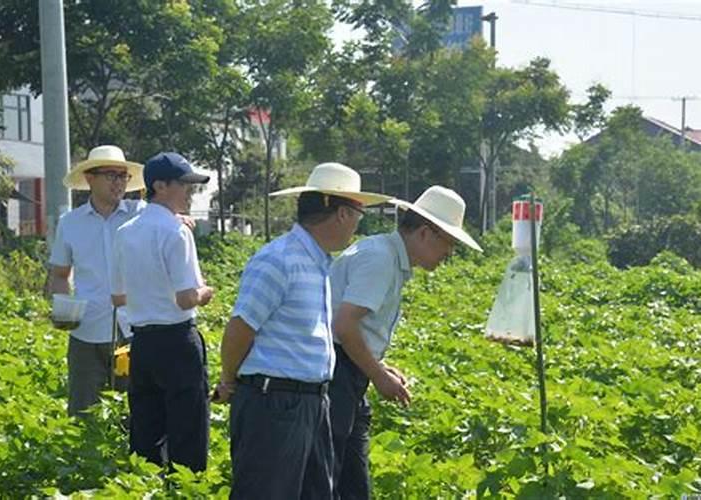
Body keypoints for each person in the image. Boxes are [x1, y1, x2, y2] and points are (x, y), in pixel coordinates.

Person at [213, 163, 389, 499]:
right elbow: (240, 328)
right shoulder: (279, 259)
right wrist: (228, 379)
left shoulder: (318, 262)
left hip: (312, 401)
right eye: (357, 215)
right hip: (273, 403)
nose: (356, 225)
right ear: (341, 214)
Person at [328, 186, 482, 499]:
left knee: (351, 485)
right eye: (449, 243)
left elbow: (350, 327)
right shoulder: (380, 260)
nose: (449, 254)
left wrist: (377, 366)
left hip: (347, 370)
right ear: (426, 233)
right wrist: (378, 375)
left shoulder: (385, 255)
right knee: (331, 480)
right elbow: (343, 326)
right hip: (334, 373)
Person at [110, 152, 214, 472]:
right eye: (183, 185)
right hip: (178, 341)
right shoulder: (175, 232)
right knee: (188, 430)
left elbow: (118, 297)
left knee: (145, 428)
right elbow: (185, 299)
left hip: (142, 344)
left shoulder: (124, 232)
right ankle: (184, 490)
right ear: (159, 186)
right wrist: (205, 293)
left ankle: (142, 488)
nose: (189, 192)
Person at [48, 145, 145, 416]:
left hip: (133, 329)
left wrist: (179, 219)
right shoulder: (70, 223)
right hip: (86, 330)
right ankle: (82, 459)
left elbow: (168, 222)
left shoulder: (142, 214)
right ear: (90, 178)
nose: (119, 183)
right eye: (111, 175)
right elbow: (59, 274)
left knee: (135, 409)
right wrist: (63, 309)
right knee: (82, 410)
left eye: (122, 176)